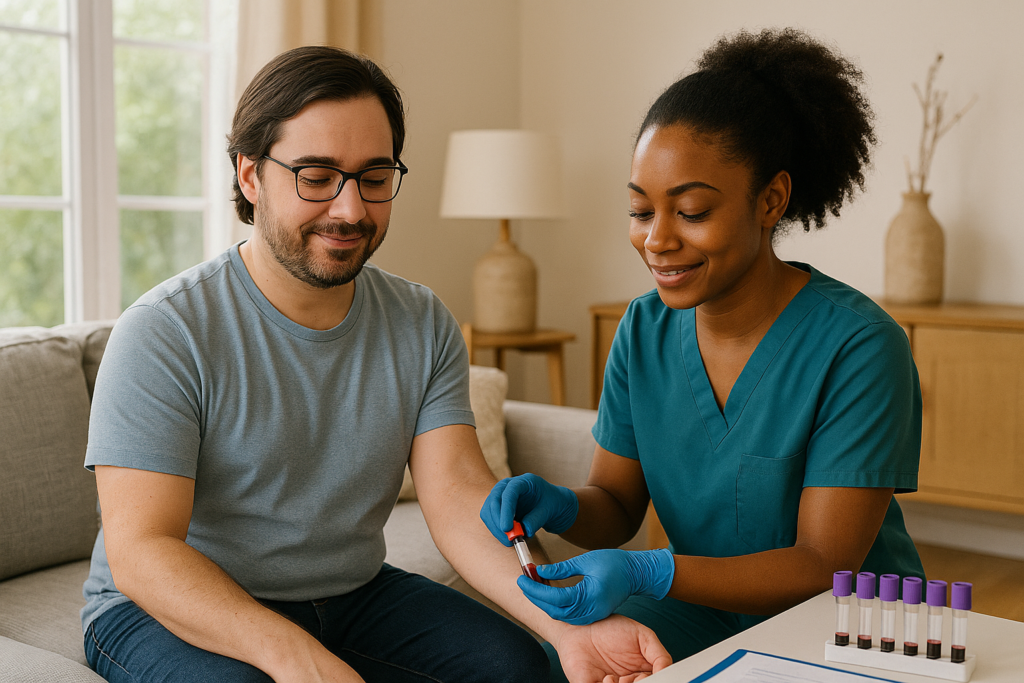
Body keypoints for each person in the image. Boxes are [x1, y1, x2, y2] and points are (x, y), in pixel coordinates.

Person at [81, 46, 671, 683]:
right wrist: (296, 657)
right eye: (316, 176)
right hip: (160, 610)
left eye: (373, 176)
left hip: (350, 594)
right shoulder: (166, 330)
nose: (351, 209)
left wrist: (567, 630)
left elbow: (455, 501)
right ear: (252, 176)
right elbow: (143, 551)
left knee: (518, 666)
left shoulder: (421, 322)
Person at [480, 28, 926, 681]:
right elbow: (616, 501)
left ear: (770, 199)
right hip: (705, 606)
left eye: (690, 210)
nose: (657, 239)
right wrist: (560, 503)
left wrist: (648, 568)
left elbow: (819, 563)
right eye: (640, 210)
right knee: (560, 665)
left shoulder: (859, 346)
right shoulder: (642, 330)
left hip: (846, 619)